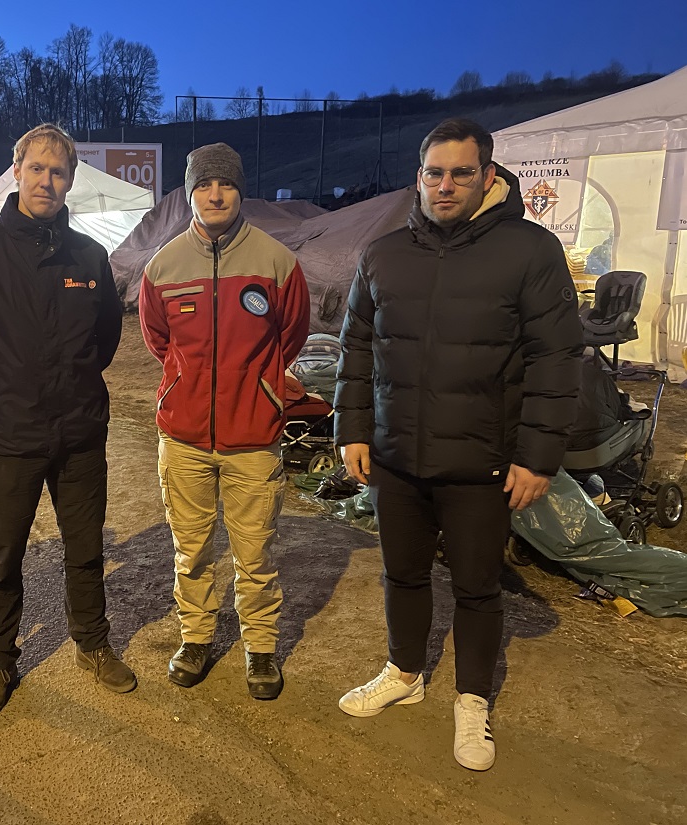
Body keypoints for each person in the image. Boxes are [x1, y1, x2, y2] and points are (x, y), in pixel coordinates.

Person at [333, 118, 582, 771]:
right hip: (395, 457)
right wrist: (352, 428)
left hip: (481, 459)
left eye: (460, 173)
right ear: (418, 178)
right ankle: (405, 670)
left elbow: (557, 359)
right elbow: (357, 346)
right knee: (402, 573)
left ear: (488, 177)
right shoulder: (383, 253)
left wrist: (538, 453)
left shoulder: (529, 251)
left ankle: (472, 698)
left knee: (476, 586)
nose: (445, 185)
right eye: (433, 173)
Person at [0, 123, 135, 720]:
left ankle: (93, 645)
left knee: (85, 548)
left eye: (59, 172)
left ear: (71, 181)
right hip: (11, 435)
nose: (47, 180)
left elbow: (104, 339)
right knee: (3, 555)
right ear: (16, 171)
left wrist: (66, 386)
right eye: (37, 168)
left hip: (78, 434)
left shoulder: (89, 255)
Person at [138, 143, 311, 700]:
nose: (215, 195)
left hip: (252, 439)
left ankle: (260, 647)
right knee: (191, 550)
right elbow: (158, 341)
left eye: (227, 185)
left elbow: (292, 336)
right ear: (190, 191)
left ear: (240, 191)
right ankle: (197, 637)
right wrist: (187, 387)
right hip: (183, 439)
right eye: (204, 185)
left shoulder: (277, 263)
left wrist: (260, 389)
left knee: (254, 553)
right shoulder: (162, 267)